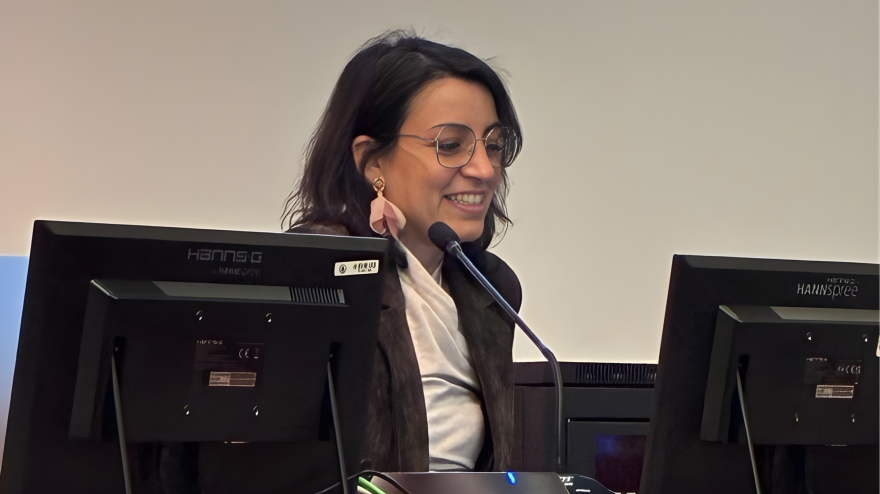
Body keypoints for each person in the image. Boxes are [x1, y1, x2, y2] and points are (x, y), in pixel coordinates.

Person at [283, 30, 524, 473]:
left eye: (493, 145)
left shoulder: (490, 287)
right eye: (450, 145)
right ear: (372, 160)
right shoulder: (317, 272)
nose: (485, 170)